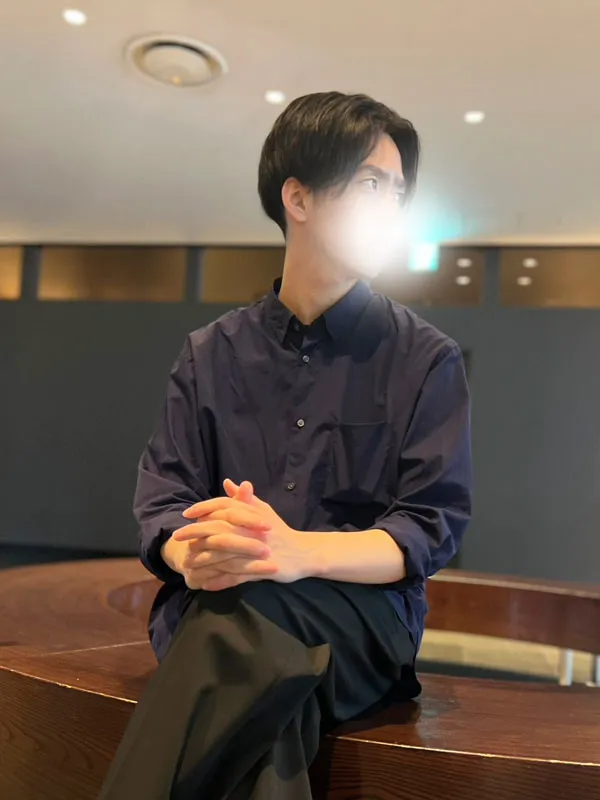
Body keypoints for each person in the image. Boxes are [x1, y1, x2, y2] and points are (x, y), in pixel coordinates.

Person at [99, 91, 472, 799]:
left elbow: (430, 527)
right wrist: (192, 554)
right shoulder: (211, 353)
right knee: (269, 698)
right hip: (219, 605)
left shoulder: (425, 359)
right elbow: (165, 501)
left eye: (398, 192)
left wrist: (293, 552)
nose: (391, 205)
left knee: (248, 624)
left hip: (359, 625)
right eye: (371, 184)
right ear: (297, 198)